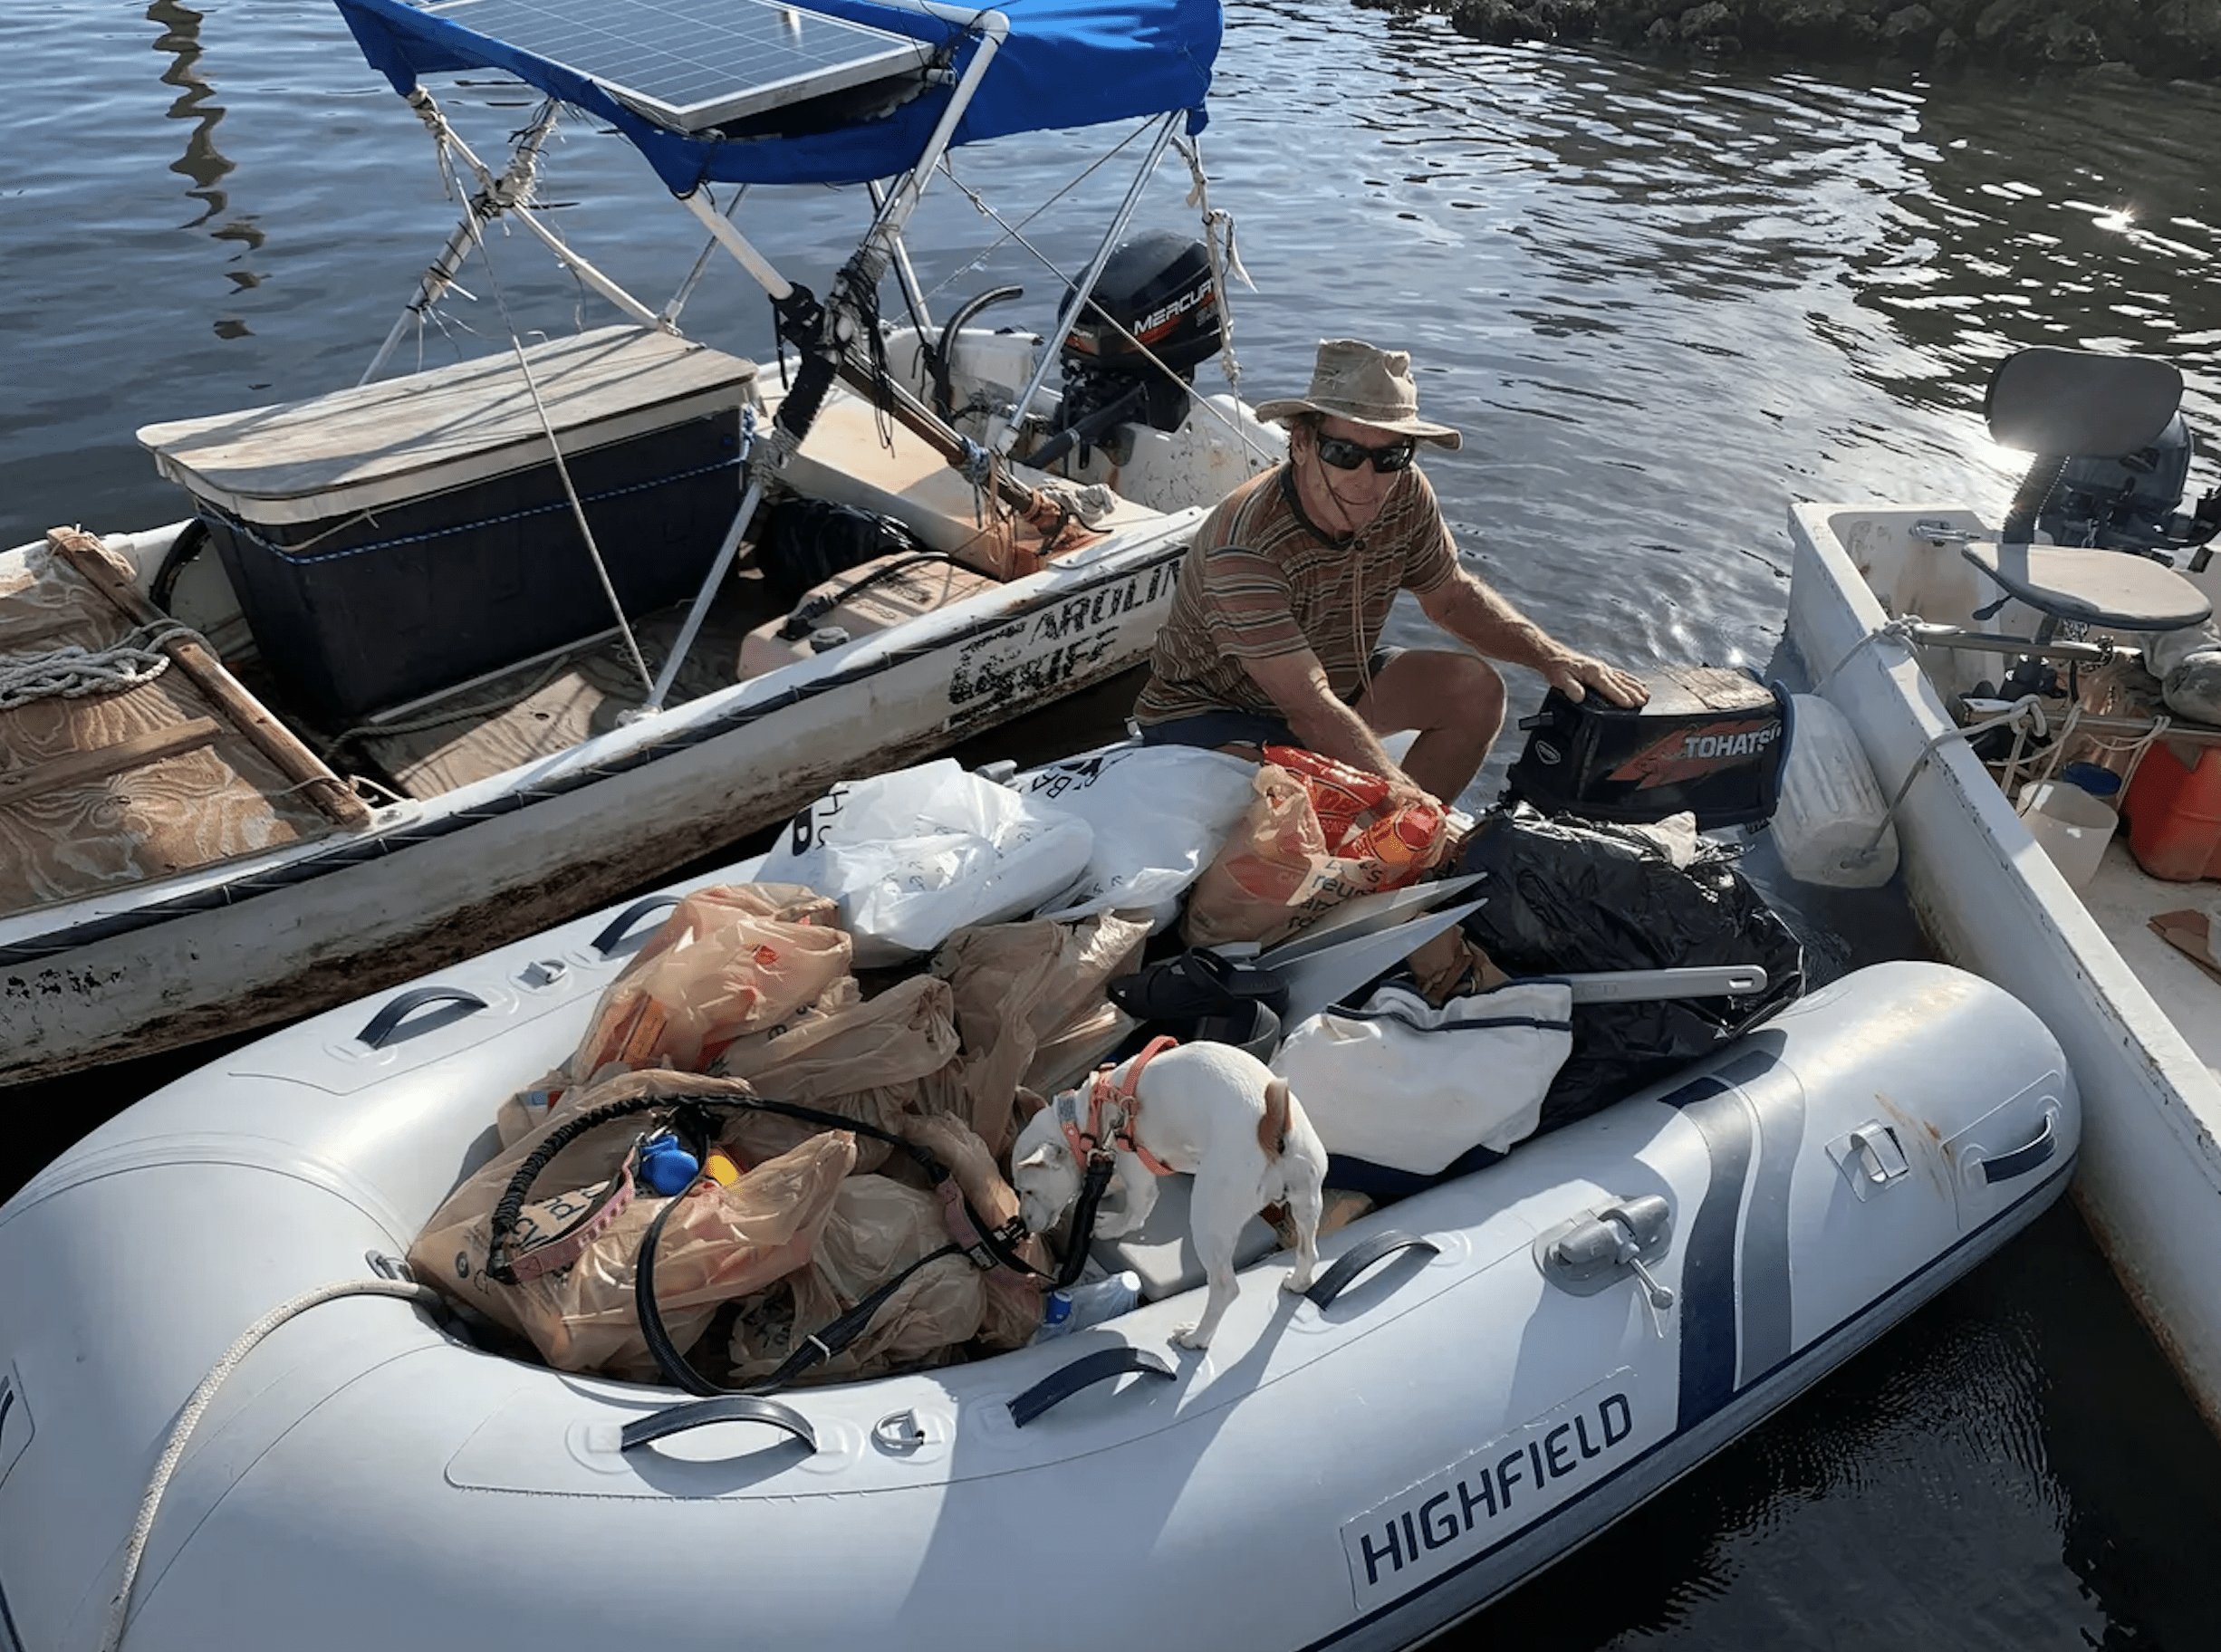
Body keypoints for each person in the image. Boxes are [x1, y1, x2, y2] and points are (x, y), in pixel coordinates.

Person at [1133, 338, 1649, 809]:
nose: (1366, 479)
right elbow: (1307, 707)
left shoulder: (1404, 491)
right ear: (1303, 445)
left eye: (1389, 456)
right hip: (1208, 713)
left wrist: (1552, 657)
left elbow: (1449, 599)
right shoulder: (1244, 546)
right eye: (1345, 453)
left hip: (1334, 684)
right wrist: (1400, 795)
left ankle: (1393, 850)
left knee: (1475, 691)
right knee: (1293, 794)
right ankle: (1399, 827)